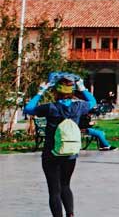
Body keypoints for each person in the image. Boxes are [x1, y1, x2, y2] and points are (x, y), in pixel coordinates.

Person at [25, 74, 96, 217]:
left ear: (55, 91)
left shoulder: (50, 108)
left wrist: (41, 91)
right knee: (65, 185)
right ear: (71, 91)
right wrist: (82, 87)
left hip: (51, 153)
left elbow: (29, 109)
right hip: (70, 153)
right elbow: (93, 102)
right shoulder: (80, 106)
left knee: (54, 190)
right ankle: (70, 214)